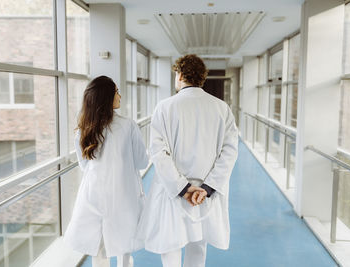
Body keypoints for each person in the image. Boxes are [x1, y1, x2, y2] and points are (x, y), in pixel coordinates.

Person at [137, 54, 238, 267]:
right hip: (204, 194)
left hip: (172, 193)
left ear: (180, 75)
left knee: (170, 246)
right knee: (198, 247)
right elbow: (230, 152)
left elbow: (158, 152)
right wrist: (207, 188)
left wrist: (183, 188)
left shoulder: (164, 107)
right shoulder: (221, 108)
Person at [64, 76, 149, 267]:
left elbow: (84, 165)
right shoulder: (128, 126)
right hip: (123, 194)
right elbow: (143, 162)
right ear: (107, 96)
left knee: (99, 250)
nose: (120, 95)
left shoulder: (82, 130)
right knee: (124, 245)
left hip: (93, 195)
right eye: (116, 91)